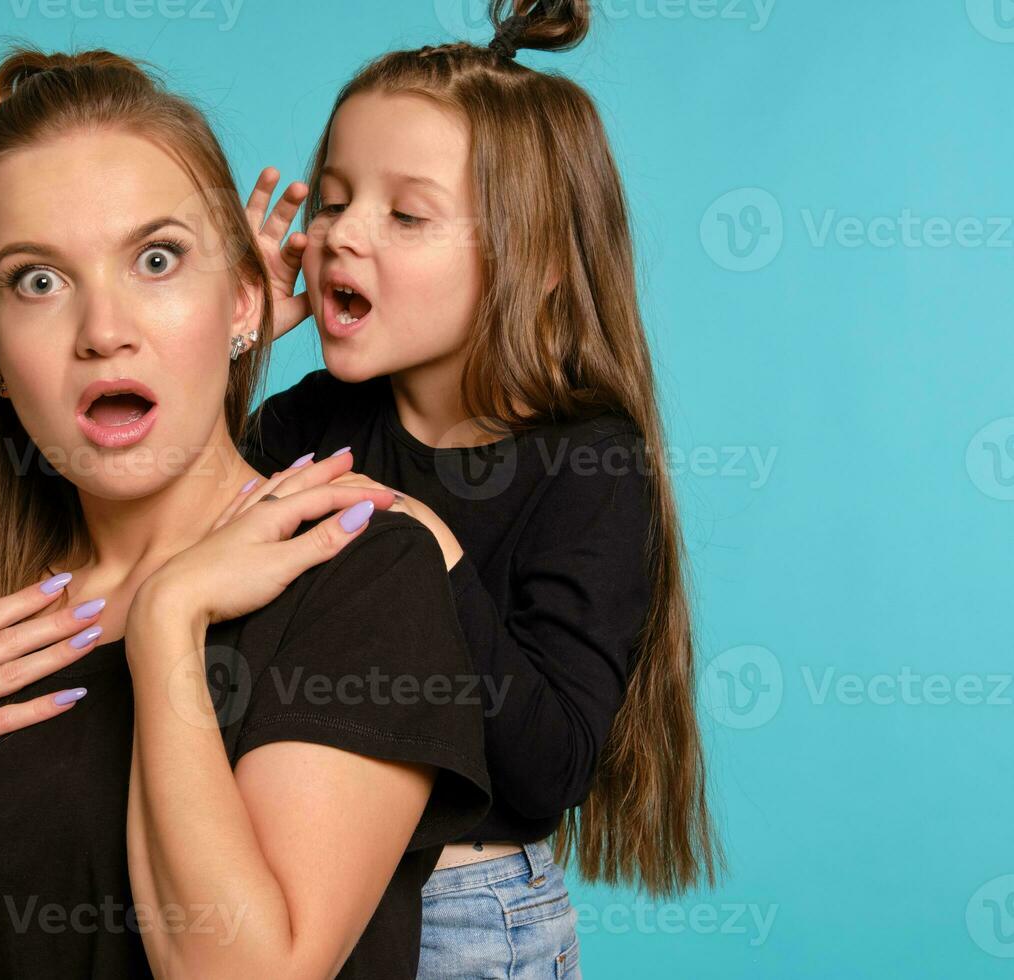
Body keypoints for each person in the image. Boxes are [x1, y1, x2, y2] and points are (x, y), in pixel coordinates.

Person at [0, 46, 491, 979]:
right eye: (39, 280)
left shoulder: (358, 573)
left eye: (156, 259)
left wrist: (166, 621)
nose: (103, 329)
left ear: (240, 302)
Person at [234, 1, 719, 975]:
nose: (340, 235)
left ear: (532, 259)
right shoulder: (314, 419)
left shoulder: (589, 463)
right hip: (305, 891)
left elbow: (550, 764)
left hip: (463, 913)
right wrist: (232, 334)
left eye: (405, 213)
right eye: (331, 199)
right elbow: (170, 540)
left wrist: (431, 552)